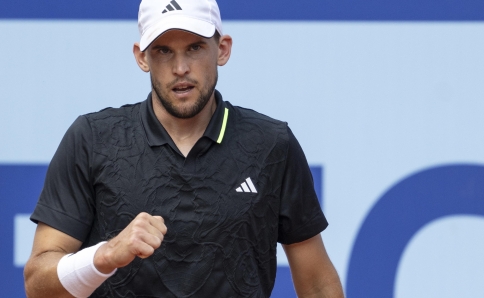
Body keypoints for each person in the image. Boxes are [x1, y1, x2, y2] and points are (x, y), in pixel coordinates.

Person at [23, 0, 344, 297]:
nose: (180, 68)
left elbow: (316, 283)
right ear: (141, 57)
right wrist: (104, 255)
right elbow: (38, 284)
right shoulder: (91, 138)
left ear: (223, 49)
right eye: (163, 51)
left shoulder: (272, 143)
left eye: (194, 47)